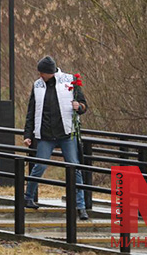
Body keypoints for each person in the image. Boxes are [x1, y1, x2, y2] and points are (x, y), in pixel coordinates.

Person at [23, 55, 89, 220]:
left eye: (42, 73)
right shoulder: (37, 85)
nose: (40, 76)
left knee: (75, 168)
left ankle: (80, 206)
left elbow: (83, 105)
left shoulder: (70, 80)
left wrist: (78, 107)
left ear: (49, 72)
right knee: (39, 166)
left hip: (67, 133)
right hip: (45, 135)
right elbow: (31, 111)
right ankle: (28, 197)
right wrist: (28, 134)